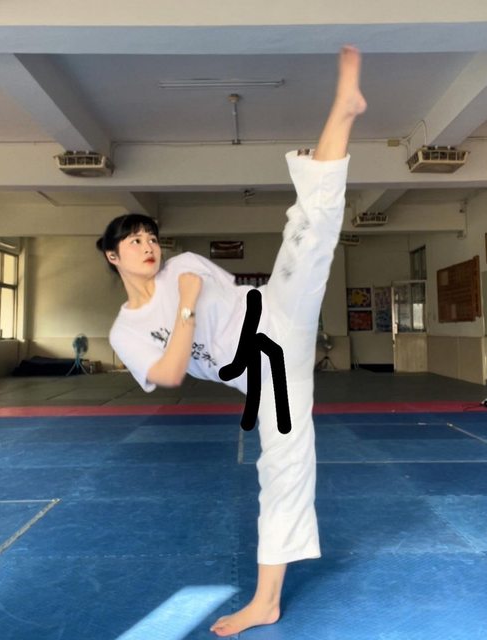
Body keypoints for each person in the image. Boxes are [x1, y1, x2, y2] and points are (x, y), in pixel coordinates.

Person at [96, 46, 366, 637]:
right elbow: (170, 375)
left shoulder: (186, 262)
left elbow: (239, 304)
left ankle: (342, 111)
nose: (148, 245)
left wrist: (189, 290)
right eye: (134, 240)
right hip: (265, 376)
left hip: (274, 314)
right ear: (114, 257)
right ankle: (267, 602)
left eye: (150, 237)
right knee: (283, 467)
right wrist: (187, 305)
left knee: (309, 233)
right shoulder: (126, 329)